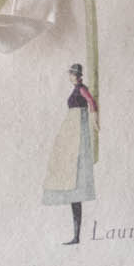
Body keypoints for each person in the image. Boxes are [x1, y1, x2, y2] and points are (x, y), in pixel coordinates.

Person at [42, 62, 99, 244]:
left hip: (77, 130)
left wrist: (95, 118)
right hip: (72, 130)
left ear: (76, 75)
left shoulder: (81, 89)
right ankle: (76, 235)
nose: (69, 76)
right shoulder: (76, 89)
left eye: (71, 74)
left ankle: (77, 235)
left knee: (75, 177)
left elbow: (91, 101)